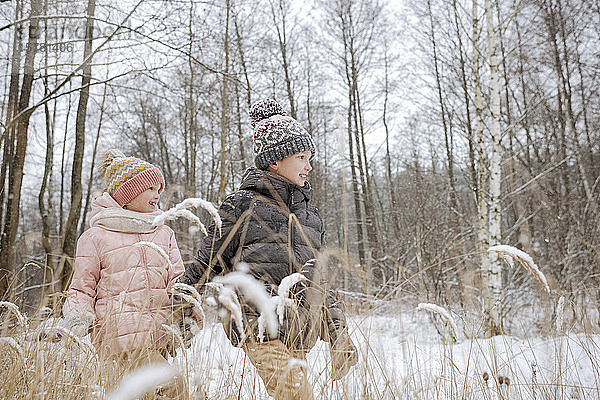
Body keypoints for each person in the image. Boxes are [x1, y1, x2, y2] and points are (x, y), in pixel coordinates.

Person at [179, 99, 358, 399]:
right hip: (257, 325)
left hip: (300, 330)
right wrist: (179, 304)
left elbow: (320, 281)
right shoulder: (241, 206)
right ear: (275, 161)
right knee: (295, 394)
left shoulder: (309, 216)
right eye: (302, 156)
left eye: (310, 157)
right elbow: (206, 262)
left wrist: (339, 334)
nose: (309, 165)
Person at [62, 149, 188, 399]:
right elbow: (82, 287)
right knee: (174, 387)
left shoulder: (163, 233)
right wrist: (78, 316)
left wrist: (187, 311)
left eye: (159, 189)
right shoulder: (96, 236)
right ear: (128, 194)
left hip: (160, 334)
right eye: (151, 188)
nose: (157, 194)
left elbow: (177, 280)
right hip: (120, 337)